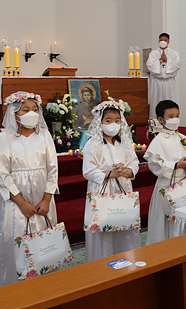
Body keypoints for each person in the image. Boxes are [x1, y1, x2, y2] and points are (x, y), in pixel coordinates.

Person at [0, 91, 59, 287]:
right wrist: (21, 202)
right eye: (25, 110)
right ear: (15, 114)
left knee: (45, 242)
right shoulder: (5, 138)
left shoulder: (44, 135)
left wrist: (47, 199)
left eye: (35, 109)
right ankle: (15, 287)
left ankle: (45, 286)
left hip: (42, 197)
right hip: (17, 201)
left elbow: (53, 168)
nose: (32, 113)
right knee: (17, 241)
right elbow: (1, 172)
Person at [82, 100, 140, 262]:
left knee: (124, 227)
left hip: (123, 188)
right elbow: (88, 171)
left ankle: (127, 260)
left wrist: (128, 170)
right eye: (108, 121)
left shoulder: (124, 143)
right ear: (99, 122)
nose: (113, 124)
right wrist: (111, 174)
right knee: (104, 230)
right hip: (103, 190)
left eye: (117, 120)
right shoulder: (93, 144)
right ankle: (103, 263)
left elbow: (134, 162)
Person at [144, 100, 186, 244]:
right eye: (171, 116)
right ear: (161, 120)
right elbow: (154, 164)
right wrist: (175, 165)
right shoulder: (159, 140)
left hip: (184, 184)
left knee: (184, 218)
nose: (175, 119)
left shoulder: (183, 138)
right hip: (167, 184)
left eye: (177, 116)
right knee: (166, 220)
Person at [146, 33, 181, 120]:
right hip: (157, 81)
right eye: (161, 39)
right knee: (156, 101)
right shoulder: (153, 53)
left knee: (169, 101)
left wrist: (167, 61)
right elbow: (150, 65)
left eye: (165, 40)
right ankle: (155, 122)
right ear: (158, 41)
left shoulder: (174, 53)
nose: (163, 41)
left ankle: (171, 120)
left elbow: (177, 65)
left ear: (168, 41)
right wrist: (160, 61)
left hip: (169, 81)